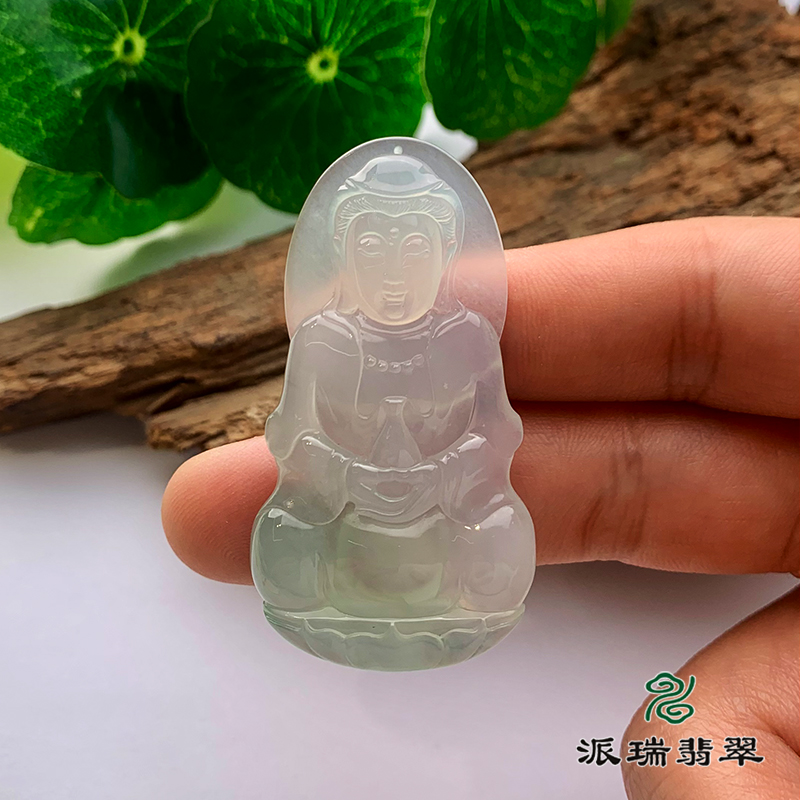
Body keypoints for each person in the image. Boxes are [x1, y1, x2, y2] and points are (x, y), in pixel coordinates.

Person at [162, 216, 798, 798]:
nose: (393, 272)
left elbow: (496, 430)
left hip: (443, 502)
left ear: (445, 255)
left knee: (499, 527)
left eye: (415, 249)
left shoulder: (466, 336)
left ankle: (454, 610)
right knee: (283, 526)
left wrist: (439, 473)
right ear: (343, 258)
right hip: (347, 508)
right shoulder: (322, 338)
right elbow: (289, 433)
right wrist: (347, 472)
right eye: (372, 248)